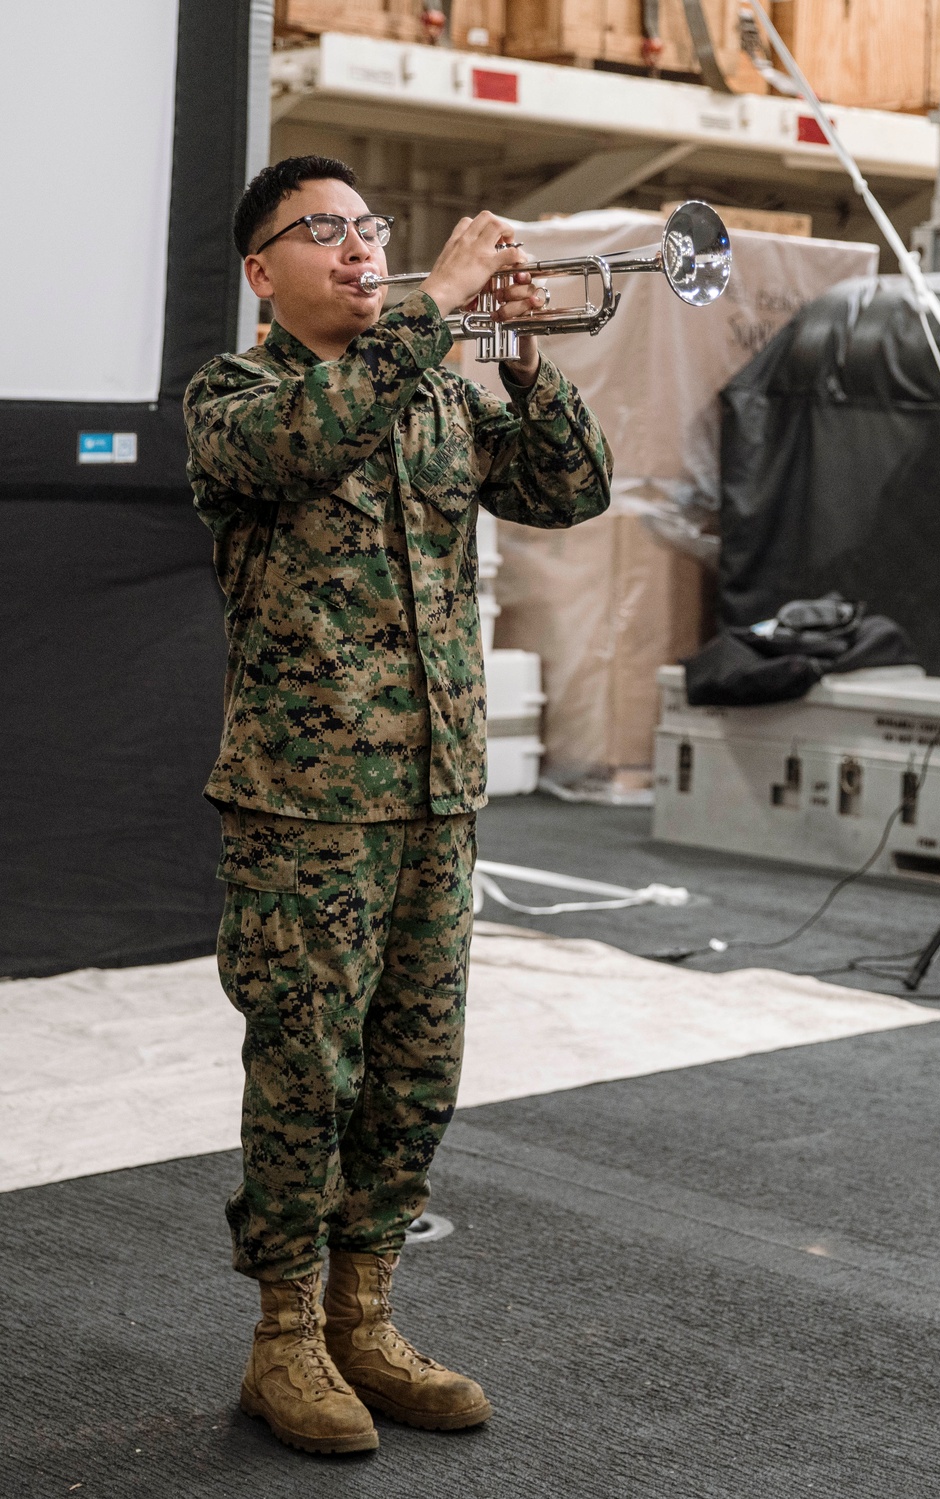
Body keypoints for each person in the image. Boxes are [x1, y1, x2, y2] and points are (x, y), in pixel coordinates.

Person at [184, 154, 612, 1456]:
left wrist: (528, 361)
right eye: (328, 232)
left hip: (437, 795)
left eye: (376, 228)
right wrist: (444, 312)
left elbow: (568, 492)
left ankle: (369, 1318)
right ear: (264, 274)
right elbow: (314, 437)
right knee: (307, 1074)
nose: (367, 249)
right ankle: (287, 1338)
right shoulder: (235, 396)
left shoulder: (431, 391)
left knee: (414, 1074)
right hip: (306, 805)